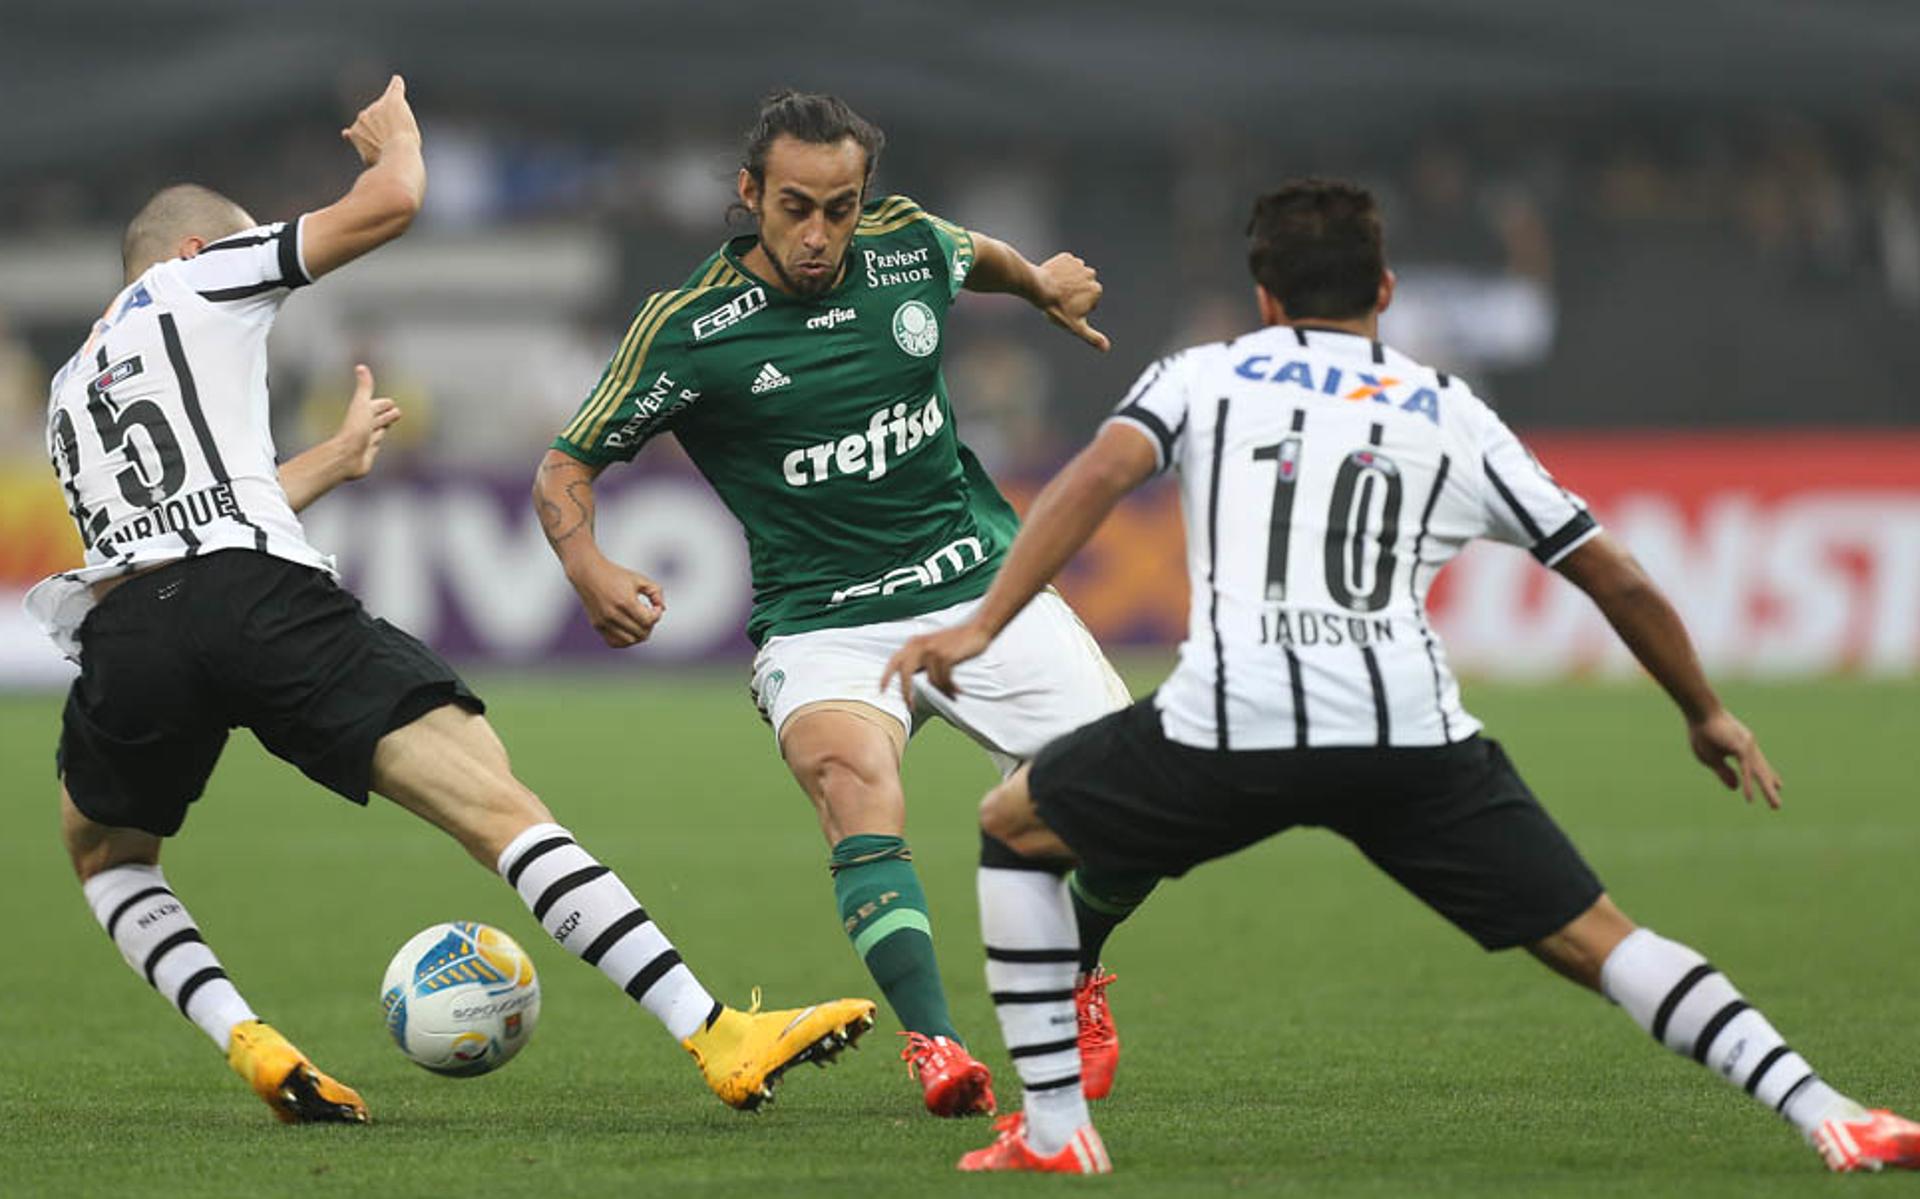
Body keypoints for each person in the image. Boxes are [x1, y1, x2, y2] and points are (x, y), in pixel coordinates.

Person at [882, 178, 1920, 1174]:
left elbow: (1091, 481)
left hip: (1232, 719)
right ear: (1385, 292)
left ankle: (1057, 1126)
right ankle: (1831, 1114)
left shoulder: (1202, 377)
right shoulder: (1447, 410)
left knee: (1015, 825)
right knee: (1600, 937)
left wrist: (982, 625)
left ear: (1264, 297)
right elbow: (1617, 573)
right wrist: (1707, 711)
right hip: (1405, 734)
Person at [28, 75, 873, 1125]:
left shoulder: (72, 386)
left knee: (105, 854)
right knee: (496, 801)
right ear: (198, 251)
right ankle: (717, 1029)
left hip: (130, 625)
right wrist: (398, 144)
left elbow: (173, 519)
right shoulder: (200, 278)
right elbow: (390, 205)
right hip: (256, 598)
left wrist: (325, 465)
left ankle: (249, 1041)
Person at [534, 90, 1136, 1117]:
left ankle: (1070, 975)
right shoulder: (688, 331)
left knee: (1132, 802)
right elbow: (566, 465)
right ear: (749, 195)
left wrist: (1038, 286)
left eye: (840, 208)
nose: (819, 234)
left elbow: (971, 252)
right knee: (853, 784)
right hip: (824, 622)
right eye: (795, 207)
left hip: (978, 587)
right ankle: (936, 1041)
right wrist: (586, 562)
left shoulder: (904, 248)